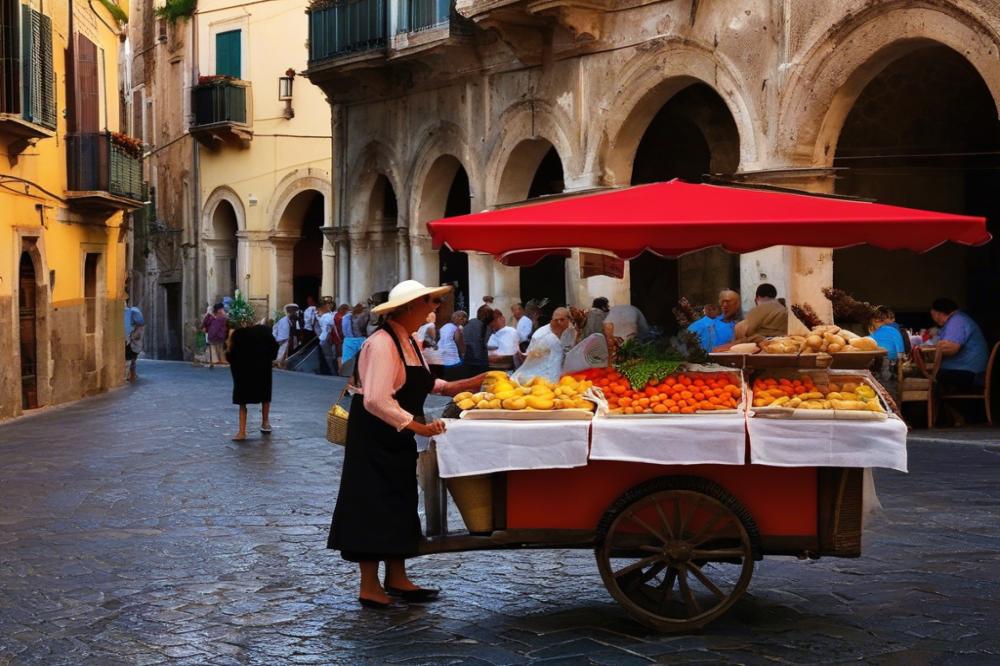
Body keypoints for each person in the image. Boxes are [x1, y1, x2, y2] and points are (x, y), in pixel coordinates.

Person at [327, 280, 485, 608]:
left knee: (398, 500)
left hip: (396, 435)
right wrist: (419, 427)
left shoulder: (410, 340)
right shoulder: (381, 344)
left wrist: (466, 384)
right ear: (410, 307)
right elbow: (376, 400)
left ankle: (397, 576)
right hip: (375, 434)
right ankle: (368, 585)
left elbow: (425, 382)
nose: (434, 308)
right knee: (371, 503)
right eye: (429, 303)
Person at [227, 313, 279, 441]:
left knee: (242, 401)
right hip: (263, 368)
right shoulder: (265, 332)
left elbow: (230, 354)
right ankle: (265, 422)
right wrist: (270, 358)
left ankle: (242, 431)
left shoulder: (237, 335)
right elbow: (274, 347)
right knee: (265, 397)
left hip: (242, 371)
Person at [927, 298, 989, 390]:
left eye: (933, 314)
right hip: (972, 370)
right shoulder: (959, 319)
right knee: (931, 372)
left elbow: (951, 349)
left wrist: (928, 349)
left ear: (939, 313)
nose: (933, 318)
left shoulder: (957, 321)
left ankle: (931, 403)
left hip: (971, 373)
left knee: (927, 373)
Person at [462, 304, 494, 378]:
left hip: (467, 360)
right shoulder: (487, 327)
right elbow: (486, 342)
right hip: (482, 362)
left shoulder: (468, 323)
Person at [438, 310, 467, 380]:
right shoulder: (457, 329)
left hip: (440, 356)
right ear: (461, 319)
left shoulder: (444, 326)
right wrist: (464, 352)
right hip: (452, 357)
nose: (464, 322)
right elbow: (458, 342)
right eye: (464, 320)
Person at [202, 303, 230, 369]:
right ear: (219, 310)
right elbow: (215, 328)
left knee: (218, 348)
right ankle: (217, 360)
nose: (223, 310)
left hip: (216, 335)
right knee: (217, 347)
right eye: (222, 309)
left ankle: (217, 359)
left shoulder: (215, 317)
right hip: (217, 335)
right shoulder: (219, 318)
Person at [273, 303, 300, 368]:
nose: (295, 312)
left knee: (286, 355)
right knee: (282, 353)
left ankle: (283, 365)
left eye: (295, 310)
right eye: (293, 311)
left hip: (290, 340)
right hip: (284, 340)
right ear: (289, 311)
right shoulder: (283, 320)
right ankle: (278, 364)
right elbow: (275, 329)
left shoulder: (294, 320)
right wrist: (277, 338)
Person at [124, 302, 145, 383]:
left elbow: (138, 332)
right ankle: (131, 375)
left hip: (131, 341)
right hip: (130, 341)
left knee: (130, 358)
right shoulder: (132, 314)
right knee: (131, 359)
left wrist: (132, 336)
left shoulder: (133, 313)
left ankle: (130, 375)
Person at [317, 297, 337, 375]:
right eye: (327, 304)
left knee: (331, 356)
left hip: (329, 338)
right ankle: (332, 372)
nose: (329, 305)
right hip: (326, 338)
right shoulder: (326, 316)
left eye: (330, 303)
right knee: (329, 357)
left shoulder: (330, 314)